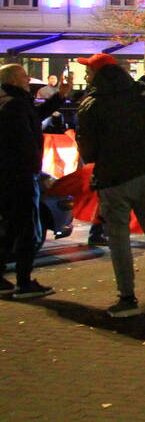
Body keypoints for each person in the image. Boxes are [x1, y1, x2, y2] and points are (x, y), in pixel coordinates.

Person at [74, 53, 145, 317]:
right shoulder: (139, 92)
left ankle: (127, 296)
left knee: (119, 238)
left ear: (97, 75)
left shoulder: (92, 104)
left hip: (113, 178)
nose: (86, 76)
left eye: (88, 72)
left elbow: (89, 151)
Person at [0, 64, 70, 299]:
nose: (28, 79)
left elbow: (35, 117)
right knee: (29, 229)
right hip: (20, 175)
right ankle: (24, 282)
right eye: (23, 76)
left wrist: (59, 97)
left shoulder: (11, 101)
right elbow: (23, 141)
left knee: (10, 226)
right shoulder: (16, 104)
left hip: (8, 175)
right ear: (12, 79)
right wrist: (36, 172)